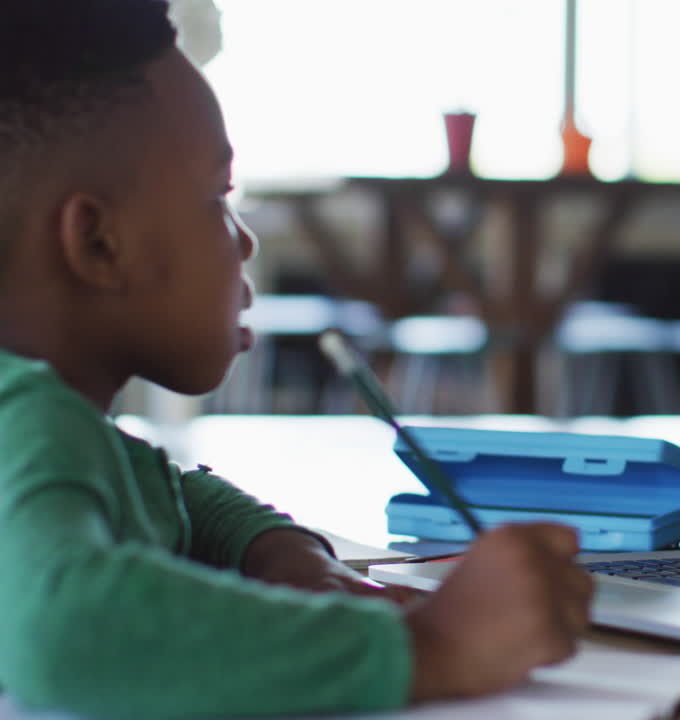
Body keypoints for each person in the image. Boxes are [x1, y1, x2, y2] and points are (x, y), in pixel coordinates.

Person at [0, 2, 591, 718]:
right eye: (219, 198)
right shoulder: (30, 425)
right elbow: (67, 634)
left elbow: (171, 492)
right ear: (98, 244)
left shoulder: (53, 428)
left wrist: (274, 548)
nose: (244, 242)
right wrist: (434, 647)